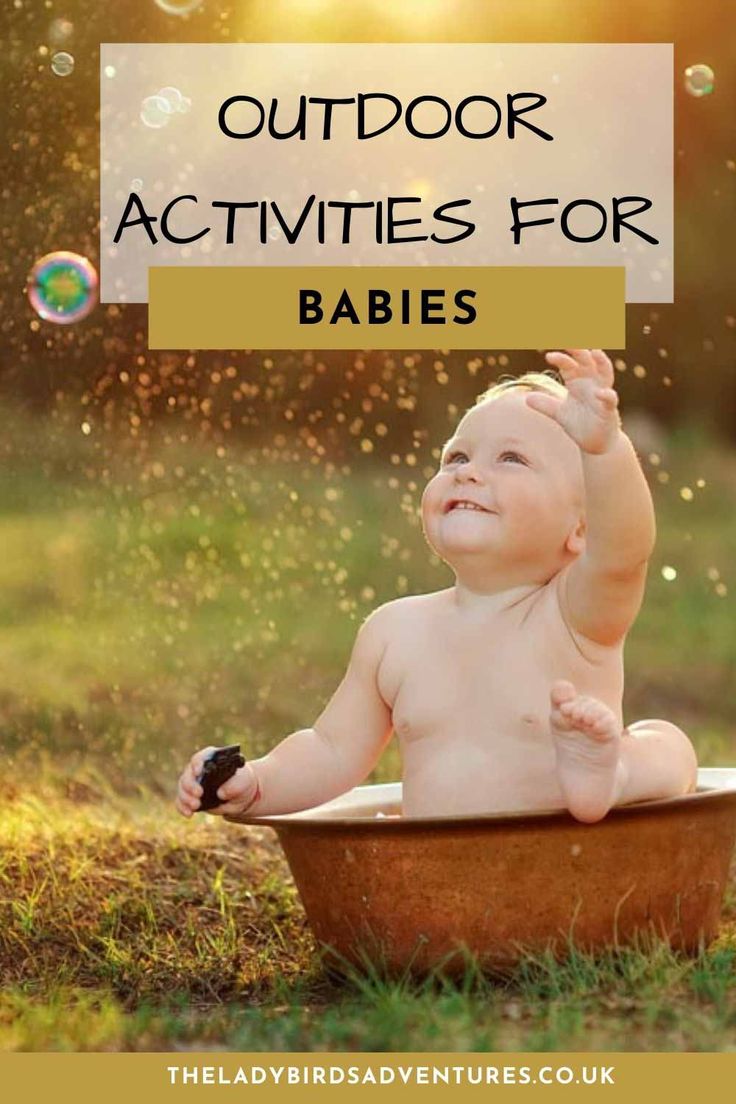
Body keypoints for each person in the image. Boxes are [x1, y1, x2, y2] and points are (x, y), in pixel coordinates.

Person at [175, 348, 697, 824]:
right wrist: (258, 784)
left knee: (670, 746)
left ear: (580, 529)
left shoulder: (573, 614)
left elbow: (624, 552)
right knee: (667, 743)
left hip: (566, 861)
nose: (469, 474)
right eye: (456, 458)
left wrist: (605, 450)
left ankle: (614, 773)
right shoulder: (394, 632)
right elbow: (331, 748)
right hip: (441, 881)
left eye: (510, 459)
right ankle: (614, 770)